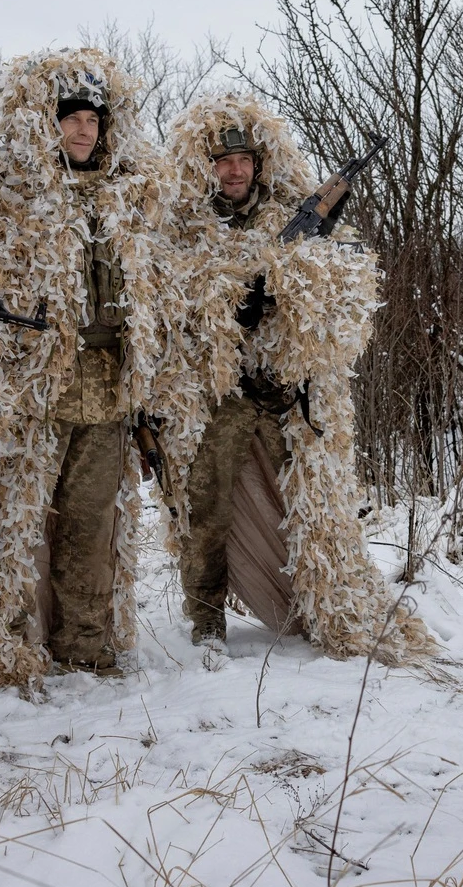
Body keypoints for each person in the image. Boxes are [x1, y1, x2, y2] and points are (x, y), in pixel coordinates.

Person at [0, 49, 182, 689]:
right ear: (49, 125)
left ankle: (85, 648)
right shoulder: (16, 201)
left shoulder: (129, 204)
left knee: (91, 528)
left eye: (92, 120)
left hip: (106, 392)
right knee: (13, 524)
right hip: (34, 392)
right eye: (70, 118)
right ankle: (0, 646)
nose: (82, 130)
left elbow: (153, 292)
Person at [159, 93, 435, 667]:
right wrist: (233, 304)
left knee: (314, 504)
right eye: (223, 159)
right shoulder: (187, 230)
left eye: (244, 160)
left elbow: (342, 288)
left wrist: (304, 270)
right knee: (205, 501)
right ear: (206, 165)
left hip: (291, 394)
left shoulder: (289, 216)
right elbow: (175, 308)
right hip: (224, 395)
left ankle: (321, 602)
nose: (235, 170)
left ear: (259, 164)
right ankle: (205, 618)